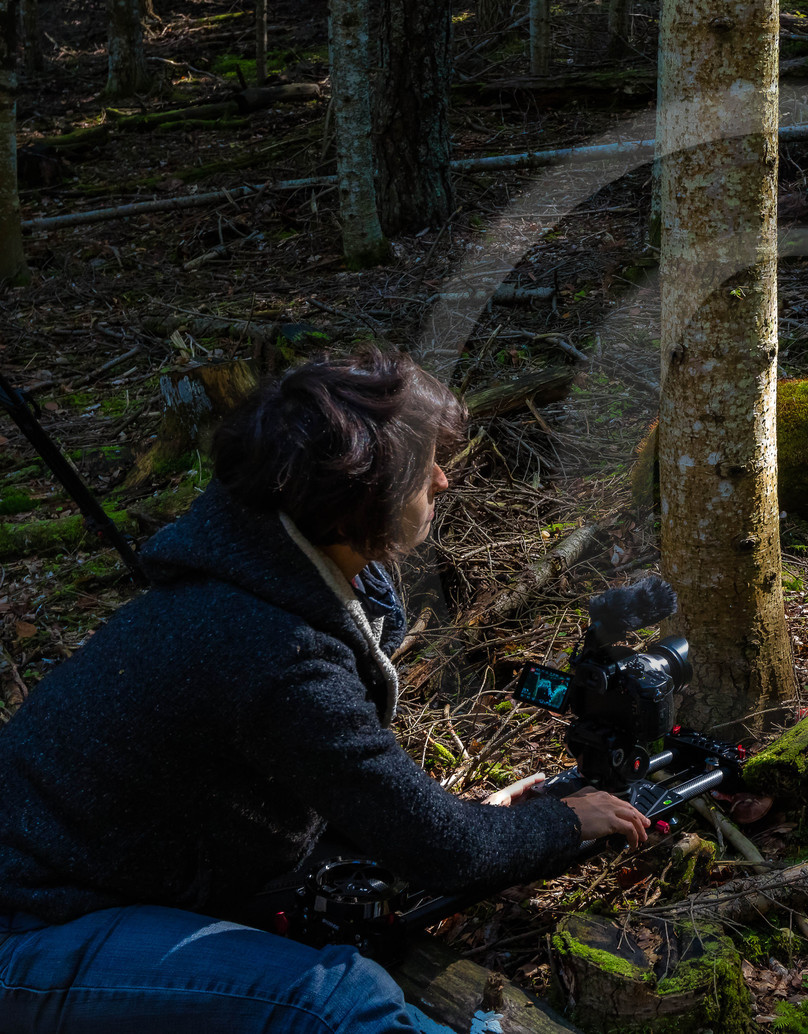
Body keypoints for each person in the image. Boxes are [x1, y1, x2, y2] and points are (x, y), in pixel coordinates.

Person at [0, 348, 651, 1033]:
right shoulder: (271, 647)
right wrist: (565, 820)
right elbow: (442, 851)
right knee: (330, 1000)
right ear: (354, 499)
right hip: (30, 933)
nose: (444, 479)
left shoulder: (256, 574)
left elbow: (378, 814)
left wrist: (475, 823)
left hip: (96, 892)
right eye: (422, 467)